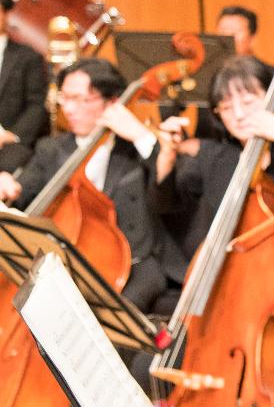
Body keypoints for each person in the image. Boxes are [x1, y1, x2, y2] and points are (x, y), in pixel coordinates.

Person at [1, 58, 180, 314]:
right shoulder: (50, 149)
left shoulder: (137, 149)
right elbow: (21, 191)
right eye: (65, 98)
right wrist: (7, 186)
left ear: (112, 103)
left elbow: (168, 192)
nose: (70, 109)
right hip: (70, 267)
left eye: (81, 100)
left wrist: (141, 135)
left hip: (136, 264)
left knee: (112, 320)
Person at [154, 55, 274, 277]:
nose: (239, 115)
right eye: (226, 107)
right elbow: (167, 205)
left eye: (248, 102)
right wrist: (166, 155)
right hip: (237, 276)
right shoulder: (214, 157)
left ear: (272, 97)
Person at [0, 0, 50, 174]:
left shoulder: (28, 57)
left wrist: (10, 135)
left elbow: (36, 105)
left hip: (9, 141)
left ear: (5, 14)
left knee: (11, 163)